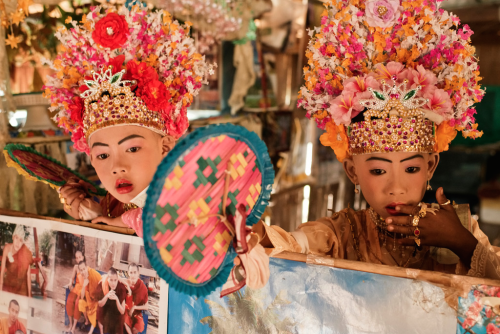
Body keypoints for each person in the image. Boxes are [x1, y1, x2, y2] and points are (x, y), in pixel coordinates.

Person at [253, 0, 500, 279]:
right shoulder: (343, 232)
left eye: (411, 168)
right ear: (352, 171)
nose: (396, 188)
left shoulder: (461, 228)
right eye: (378, 170)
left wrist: (462, 243)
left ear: (431, 166)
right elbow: (293, 244)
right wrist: (254, 234)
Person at [45, 5, 213, 236]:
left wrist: (130, 222)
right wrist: (91, 214)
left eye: (132, 148)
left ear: (165, 145)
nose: (117, 167)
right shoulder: (113, 205)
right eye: (102, 155)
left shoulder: (201, 198)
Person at [0, 225, 32, 297]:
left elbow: (28, 275)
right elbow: (2, 272)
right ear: (13, 237)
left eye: (20, 240)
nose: (18, 242)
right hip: (9, 283)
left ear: (22, 243)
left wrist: (30, 296)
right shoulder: (7, 248)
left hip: (21, 286)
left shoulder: (25, 252)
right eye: (16, 238)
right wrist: (0, 291)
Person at [96, 268, 127, 334]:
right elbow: (100, 304)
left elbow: (122, 311)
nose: (113, 283)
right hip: (107, 310)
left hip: (117, 312)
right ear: (107, 279)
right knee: (99, 310)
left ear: (117, 279)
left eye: (115, 280)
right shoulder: (103, 285)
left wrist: (117, 300)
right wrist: (106, 296)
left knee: (121, 318)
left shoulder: (121, 288)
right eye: (111, 280)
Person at [121, 263, 148, 334]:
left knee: (137, 327)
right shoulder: (127, 282)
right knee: (124, 319)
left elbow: (146, 306)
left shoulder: (143, 287)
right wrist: (127, 286)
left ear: (138, 273)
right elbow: (116, 277)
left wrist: (134, 307)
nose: (133, 275)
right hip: (126, 311)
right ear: (128, 273)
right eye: (131, 272)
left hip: (136, 313)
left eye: (135, 272)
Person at [77, 260, 102, 334]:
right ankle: (87, 320)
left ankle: (90, 332)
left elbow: (102, 282)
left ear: (87, 267)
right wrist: (84, 285)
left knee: (95, 310)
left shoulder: (93, 273)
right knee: (81, 302)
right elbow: (81, 297)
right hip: (89, 300)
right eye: (81, 270)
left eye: (84, 269)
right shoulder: (81, 277)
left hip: (96, 300)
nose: (83, 272)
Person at [65, 250, 86, 334]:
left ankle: (73, 328)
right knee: (69, 301)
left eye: (79, 257)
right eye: (77, 258)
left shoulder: (85, 267)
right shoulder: (75, 267)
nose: (78, 259)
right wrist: (70, 282)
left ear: (83, 257)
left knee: (77, 303)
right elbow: (72, 277)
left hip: (83, 290)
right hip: (76, 288)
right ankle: (70, 325)